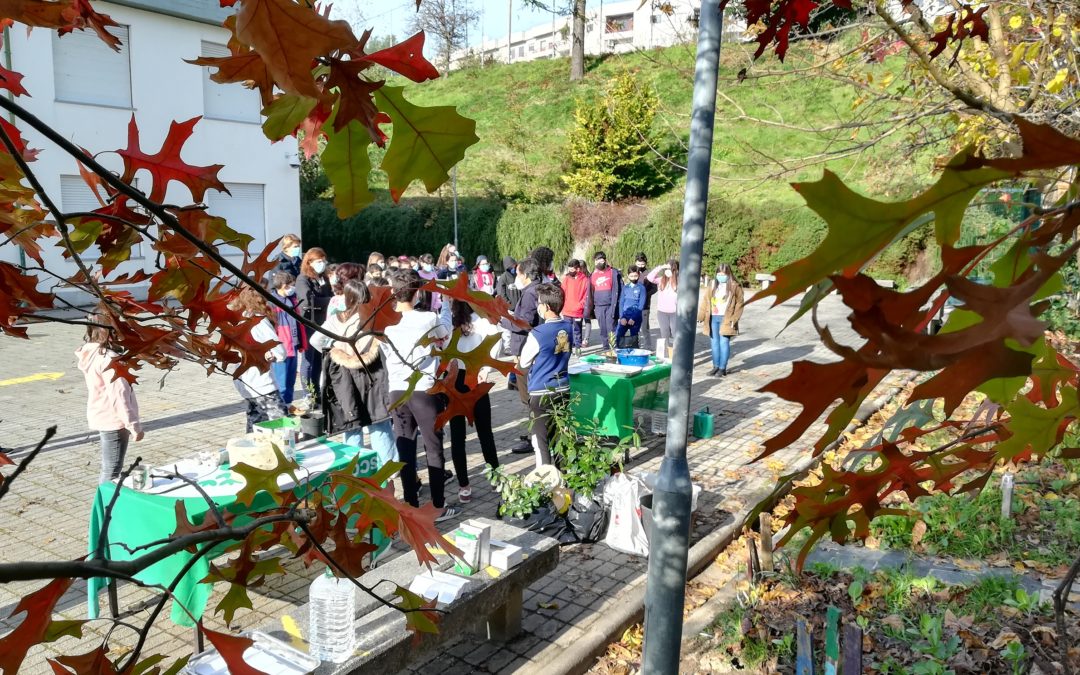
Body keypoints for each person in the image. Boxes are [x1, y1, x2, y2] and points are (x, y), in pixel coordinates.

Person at [381, 270, 458, 520]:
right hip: (424, 389)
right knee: (433, 447)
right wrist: (446, 305)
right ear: (417, 292)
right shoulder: (427, 318)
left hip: (397, 390)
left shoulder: (386, 321)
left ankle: (411, 504)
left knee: (405, 449)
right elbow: (444, 337)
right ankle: (437, 506)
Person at [312, 279, 396, 468]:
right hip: (372, 372)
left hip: (344, 376)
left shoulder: (335, 319)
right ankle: (389, 467)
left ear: (347, 298)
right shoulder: (371, 318)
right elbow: (386, 344)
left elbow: (315, 340)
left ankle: (356, 468)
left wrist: (334, 350)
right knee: (379, 422)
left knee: (352, 424)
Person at [443, 299, 502, 503]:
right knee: (485, 433)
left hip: (456, 381)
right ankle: (496, 478)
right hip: (477, 378)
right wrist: (486, 369)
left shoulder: (448, 323)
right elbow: (498, 341)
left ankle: (463, 486)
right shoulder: (482, 321)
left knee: (458, 437)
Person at [76, 313, 144, 484]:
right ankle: (106, 508)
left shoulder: (92, 353)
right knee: (111, 471)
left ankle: (107, 505)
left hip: (102, 414)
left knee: (110, 467)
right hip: (114, 420)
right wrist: (133, 425)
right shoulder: (110, 359)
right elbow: (119, 396)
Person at [519, 284, 573, 467]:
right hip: (563, 388)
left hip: (541, 391)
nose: (538, 307)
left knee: (540, 442)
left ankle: (546, 482)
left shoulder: (538, 333)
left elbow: (524, 363)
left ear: (547, 307)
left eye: (539, 303)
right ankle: (564, 481)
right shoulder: (568, 326)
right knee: (560, 437)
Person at [228, 288, 287, 432]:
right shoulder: (257, 320)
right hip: (261, 381)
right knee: (281, 427)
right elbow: (279, 351)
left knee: (255, 423)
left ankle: (252, 451)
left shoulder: (236, 319)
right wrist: (273, 355)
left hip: (244, 380)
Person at [502, 257, 543, 453]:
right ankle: (535, 434)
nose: (515, 277)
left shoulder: (529, 294)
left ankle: (535, 438)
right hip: (530, 349)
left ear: (525, 275)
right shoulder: (535, 289)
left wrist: (502, 320)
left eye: (518, 273)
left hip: (527, 352)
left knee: (529, 398)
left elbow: (524, 323)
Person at [295, 248, 333, 402]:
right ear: (309, 262)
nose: (322, 264)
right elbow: (307, 300)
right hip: (309, 323)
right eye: (319, 261)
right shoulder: (302, 279)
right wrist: (330, 301)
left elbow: (329, 294)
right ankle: (307, 393)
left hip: (323, 323)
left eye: (323, 261)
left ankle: (317, 391)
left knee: (319, 359)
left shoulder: (322, 278)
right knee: (309, 360)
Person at [698, 263, 745, 377]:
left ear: (728, 274)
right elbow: (705, 300)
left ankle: (722, 368)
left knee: (724, 342)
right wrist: (701, 316)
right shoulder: (713, 284)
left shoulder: (735, 286)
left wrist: (735, 318)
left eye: (723, 274)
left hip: (726, 318)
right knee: (714, 343)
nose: (720, 276)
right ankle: (715, 366)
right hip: (713, 317)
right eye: (718, 273)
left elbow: (740, 303)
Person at [269, 271, 307, 405]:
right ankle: (281, 408)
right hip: (281, 348)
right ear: (284, 285)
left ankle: (289, 406)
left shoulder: (292, 299)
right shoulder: (272, 303)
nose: (293, 288)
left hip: (294, 345)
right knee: (282, 382)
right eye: (291, 285)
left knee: (291, 380)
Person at [589, 251, 621, 350]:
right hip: (598, 306)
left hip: (611, 305)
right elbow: (589, 293)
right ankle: (606, 348)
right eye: (598, 260)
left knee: (611, 328)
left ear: (605, 260)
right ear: (595, 262)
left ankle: (613, 348)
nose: (600, 262)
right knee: (602, 329)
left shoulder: (613, 272)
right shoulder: (592, 275)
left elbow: (620, 289)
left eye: (602, 259)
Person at [647, 259, 679, 359]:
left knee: (675, 334)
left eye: (670, 268)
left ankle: (677, 355)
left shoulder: (679, 280)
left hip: (674, 312)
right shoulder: (661, 280)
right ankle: (666, 355)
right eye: (667, 268)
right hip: (662, 312)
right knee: (664, 334)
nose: (668, 270)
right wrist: (660, 267)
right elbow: (649, 277)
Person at [560, 259, 591, 350]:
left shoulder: (585, 280)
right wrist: (562, 306)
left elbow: (587, 296)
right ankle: (566, 350)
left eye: (572, 270)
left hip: (578, 311)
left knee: (577, 330)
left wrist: (580, 305)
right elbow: (562, 292)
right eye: (569, 270)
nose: (570, 272)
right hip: (566, 310)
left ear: (578, 269)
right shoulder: (566, 279)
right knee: (566, 330)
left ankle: (577, 348)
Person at [615, 265, 647, 348]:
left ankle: (634, 355)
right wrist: (622, 317)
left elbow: (641, 305)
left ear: (638, 275)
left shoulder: (641, 288)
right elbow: (621, 303)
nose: (633, 278)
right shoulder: (625, 287)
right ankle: (619, 353)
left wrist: (633, 318)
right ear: (628, 275)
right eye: (631, 276)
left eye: (635, 276)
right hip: (625, 316)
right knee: (618, 336)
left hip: (635, 317)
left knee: (634, 339)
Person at [634, 253, 655, 349]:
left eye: (642, 264)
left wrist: (645, 294)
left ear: (645, 263)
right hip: (633, 305)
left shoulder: (649, 274)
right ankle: (635, 345)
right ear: (635, 263)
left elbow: (655, 288)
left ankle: (648, 347)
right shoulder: (633, 272)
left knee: (644, 328)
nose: (640, 267)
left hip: (645, 305)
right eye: (639, 264)